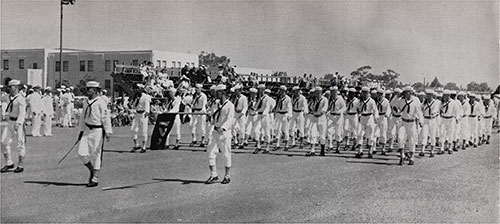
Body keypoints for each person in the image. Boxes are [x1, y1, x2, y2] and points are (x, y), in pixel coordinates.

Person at [76, 81, 112, 187]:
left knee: (96, 154)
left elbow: (105, 117)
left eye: (89, 89)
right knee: (81, 153)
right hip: (87, 129)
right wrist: (81, 131)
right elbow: (83, 117)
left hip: (97, 130)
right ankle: (92, 170)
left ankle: (95, 178)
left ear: (95, 90)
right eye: (87, 89)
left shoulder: (101, 102)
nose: (87, 91)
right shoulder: (86, 102)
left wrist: (108, 131)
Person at [205, 84, 234, 185]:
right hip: (215, 131)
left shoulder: (230, 105)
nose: (215, 94)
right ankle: (214, 175)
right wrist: (210, 117)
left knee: (226, 153)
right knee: (210, 151)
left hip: (225, 133)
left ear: (222, 93)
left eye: (217, 92)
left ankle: (227, 175)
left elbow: (230, 118)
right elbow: (213, 120)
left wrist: (224, 127)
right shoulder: (215, 104)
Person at [0, 80, 27, 173]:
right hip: (10, 121)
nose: (9, 88)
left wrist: (19, 123)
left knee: (20, 143)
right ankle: (9, 162)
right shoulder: (8, 97)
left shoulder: (20, 98)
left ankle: (20, 164)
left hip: (17, 123)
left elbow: (22, 112)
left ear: (15, 87)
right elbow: (2, 99)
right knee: (4, 141)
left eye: (11, 87)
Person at [396, 86, 423, 165]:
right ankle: (402, 155)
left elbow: (419, 113)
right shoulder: (401, 101)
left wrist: (420, 121)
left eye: (407, 92)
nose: (405, 94)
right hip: (403, 122)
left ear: (410, 92)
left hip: (412, 123)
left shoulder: (415, 101)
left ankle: (412, 157)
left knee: (412, 140)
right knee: (400, 138)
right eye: (404, 92)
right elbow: (395, 106)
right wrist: (397, 96)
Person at [354, 86, 379, 158]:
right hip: (362, 117)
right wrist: (358, 115)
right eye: (363, 93)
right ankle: (360, 150)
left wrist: (375, 118)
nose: (364, 94)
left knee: (371, 134)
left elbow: (375, 110)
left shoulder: (371, 101)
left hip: (369, 117)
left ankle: (370, 151)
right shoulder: (359, 101)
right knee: (359, 133)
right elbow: (356, 108)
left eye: (366, 93)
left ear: (368, 93)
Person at [306, 86, 328, 157]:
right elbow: (310, 107)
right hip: (314, 118)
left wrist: (321, 112)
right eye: (316, 92)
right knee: (313, 133)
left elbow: (325, 108)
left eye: (318, 92)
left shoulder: (324, 99)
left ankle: (322, 150)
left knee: (322, 135)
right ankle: (312, 150)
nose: (317, 94)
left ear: (320, 92)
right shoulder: (313, 100)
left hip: (322, 118)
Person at [130, 85, 152, 153]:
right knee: (133, 129)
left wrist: (147, 112)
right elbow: (133, 105)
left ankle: (144, 146)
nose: (136, 90)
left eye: (138, 89)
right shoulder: (136, 96)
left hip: (143, 114)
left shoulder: (146, 97)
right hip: (137, 114)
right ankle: (136, 144)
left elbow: (147, 106)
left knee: (144, 131)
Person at [438, 90, 459, 154]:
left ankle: (450, 148)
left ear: (449, 95)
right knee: (442, 133)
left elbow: (456, 111)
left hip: (451, 119)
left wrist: (457, 118)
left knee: (450, 134)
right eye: (444, 95)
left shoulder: (453, 102)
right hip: (443, 119)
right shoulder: (441, 102)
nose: (445, 97)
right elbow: (439, 110)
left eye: (446, 95)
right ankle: (441, 148)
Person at [253, 84, 272, 154]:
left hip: (265, 116)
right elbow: (257, 106)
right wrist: (255, 110)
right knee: (255, 130)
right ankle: (258, 146)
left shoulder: (267, 98)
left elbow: (267, 107)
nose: (258, 91)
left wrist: (264, 113)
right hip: (259, 115)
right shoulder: (259, 98)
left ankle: (267, 147)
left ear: (262, 90)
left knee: (267, 131)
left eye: (259, 89)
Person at [326, 86, 346, 153]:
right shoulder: (330, 98)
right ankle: (330, 145)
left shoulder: (340, 98)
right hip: (331, 115)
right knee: (329, 131)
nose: (333, 93)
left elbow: (344, 107)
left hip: (338, 117)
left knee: (338, 132)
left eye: (334, 91)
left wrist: (340, 111)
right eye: (332, 91)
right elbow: (328, 107)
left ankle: (338, 147)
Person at [273, 85, 292, 151]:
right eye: (280, 90)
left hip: (285, 114)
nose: (280, 91)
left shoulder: (288, 98)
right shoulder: (278, 98)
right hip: (279, 114)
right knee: (277, 129)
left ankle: (286, 144)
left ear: (284, 91)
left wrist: (289, 115)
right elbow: (277, 106)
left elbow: (289, 107)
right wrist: (275, 113)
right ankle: (277, 144)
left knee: (285, 129)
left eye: (281, 90)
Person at [375, 89, 391, 155]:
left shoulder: (386, 101)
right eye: (378, 94)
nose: (379, 95)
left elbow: (388, 109)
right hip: (376, 116)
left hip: (383, 117)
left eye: (380, 94)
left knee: (383, 132)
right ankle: (374, 147)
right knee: (375, 132)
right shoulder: (375, 101)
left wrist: (387, 114)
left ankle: (383, 148)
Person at [232, 84, 248, 149]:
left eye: (237, 91)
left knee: (242, 128)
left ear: (239, 91)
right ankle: (235, 141)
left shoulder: (244, 98)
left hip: (241, 113)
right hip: (235, 113)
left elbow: (245, 106)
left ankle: (242, 141)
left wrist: (242, 113)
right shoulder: (234, 98)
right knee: (233, 126)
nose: (236, 92)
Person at [387, 88, 402, 152]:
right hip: (393, 117)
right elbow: (390, 105)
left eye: (397, 93)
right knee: (392, 132)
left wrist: (398, 110)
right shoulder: (394, 98)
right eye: (395, 93)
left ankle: (400, 146)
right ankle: (391, 146)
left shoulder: (402, 99)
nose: (396, 94)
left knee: (399, 133)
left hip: (400, 117)